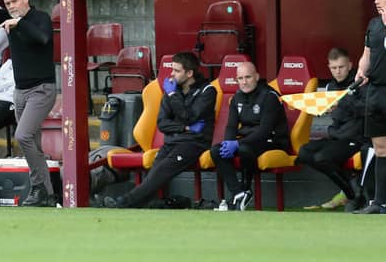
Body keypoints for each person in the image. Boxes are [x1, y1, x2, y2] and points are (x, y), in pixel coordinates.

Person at [103, 52, 217, 208]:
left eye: (177, 71)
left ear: (189, 73)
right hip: (172, 141)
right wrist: (184, 127)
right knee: (154, 175)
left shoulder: (207, 91)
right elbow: (162, 123)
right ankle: (158, 204)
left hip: (193, 143)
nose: (172, 74)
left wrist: (172, 95)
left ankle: (123, 202)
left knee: (160, 172)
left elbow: (188, 116)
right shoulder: (171, 90)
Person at [0, 0, 56, 207]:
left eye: (14, 1)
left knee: (22, 135)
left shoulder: (39, 17)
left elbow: (43, 38)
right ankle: (47, 194)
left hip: (41, 89)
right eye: (7, 4)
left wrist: (20, 23)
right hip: (20, 91)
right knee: (33, 143)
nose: (11, 7)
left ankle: (39, 187)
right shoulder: (10, 22)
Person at [211, 61, 289, 210]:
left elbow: (264, 131)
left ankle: (246, 187)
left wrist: (237, 144)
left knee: (244, 149)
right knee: (216, 151)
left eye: (248, 77)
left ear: (257, 77)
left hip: (273, 140)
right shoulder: (236, 98)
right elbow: (231, 126)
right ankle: (239, 193)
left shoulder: (270, 96)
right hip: (248, 140)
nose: (244, 82)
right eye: (240, 78)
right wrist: (229, 142)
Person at [296, 48, 367, 212]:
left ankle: (353, 196)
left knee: (322, 158)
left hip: (355, 137)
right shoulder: (330, 87)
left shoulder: (361, 83)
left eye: (341, 67)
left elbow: (366, 109)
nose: (338, 71)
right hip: (336, 135)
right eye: (334, 68)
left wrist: (341, 103)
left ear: (350, 65)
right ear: (329, 67)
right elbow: (327, 111)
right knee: (304, 152)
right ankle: (351, 189)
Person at [353, 0, 386, 214]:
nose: (376, 1)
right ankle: (379, 202)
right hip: (376, 92)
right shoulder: (373, 25)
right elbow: (367, 53)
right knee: (381, 148)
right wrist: (360, 70)